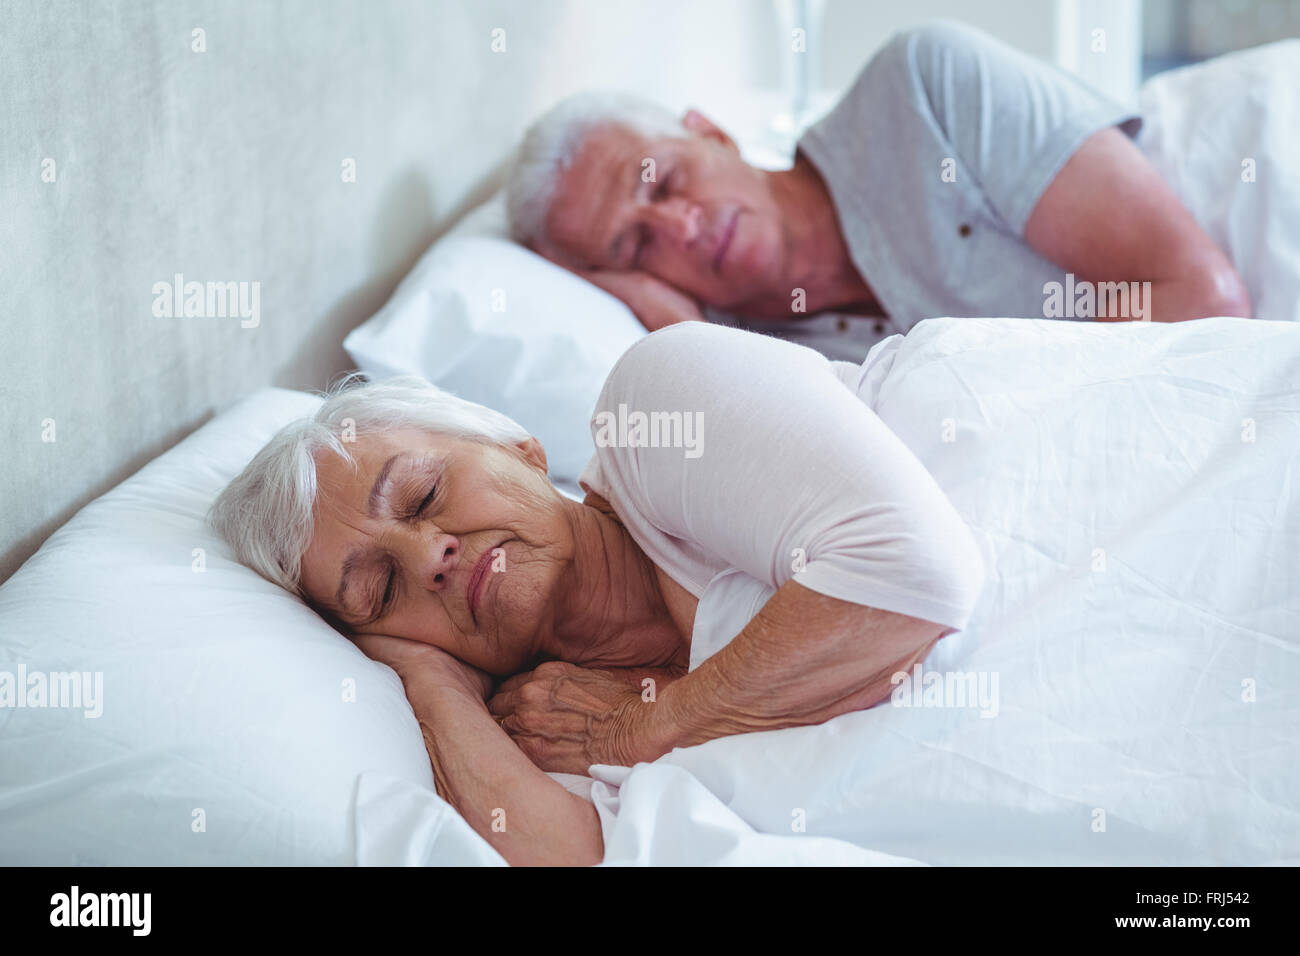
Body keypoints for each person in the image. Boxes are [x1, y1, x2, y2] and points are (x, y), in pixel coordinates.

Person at [207, 321, 985, 865]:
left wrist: (649, 725)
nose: (431, 556)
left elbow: (913, 572)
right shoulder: (544, 720)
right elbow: (572, 858)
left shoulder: (657, 407)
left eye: (421, 495)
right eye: (380, 590)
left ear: (521, 448)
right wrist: (431, 684)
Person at [506, 21, 1251, 361]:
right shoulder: (750, 361)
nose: (681, 226)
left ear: (712, 131)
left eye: (662, 181)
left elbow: (1201, 298)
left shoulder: (923, 88)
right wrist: (696, 348)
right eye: (635, 244)